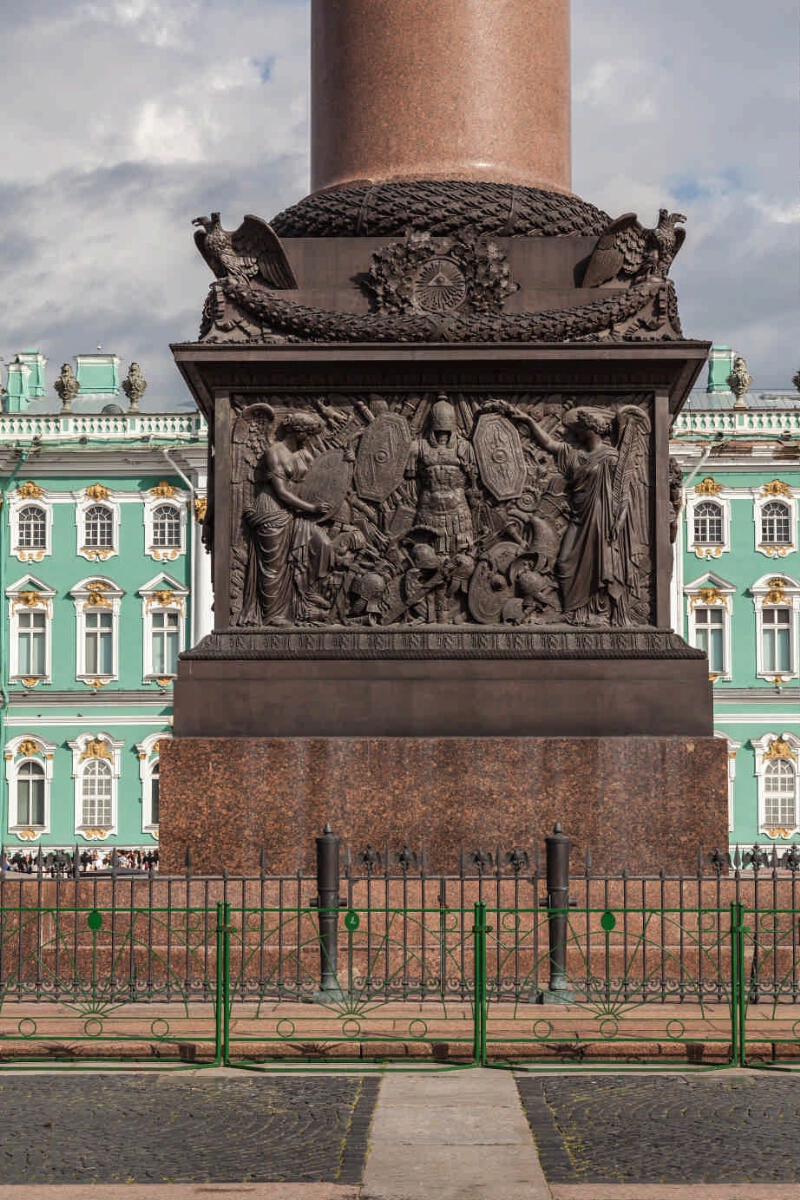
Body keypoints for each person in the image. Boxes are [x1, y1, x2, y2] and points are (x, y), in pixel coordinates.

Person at [499, 403, 648, 625]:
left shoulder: (611, 458)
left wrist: (619, 522)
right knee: (563, 563)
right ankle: (572, 611)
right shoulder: (575, 455)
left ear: (590, 429)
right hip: (579, 517)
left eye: (576, 428)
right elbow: (548, 443)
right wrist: (527, 420)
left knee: (600, 565)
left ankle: (598, 612)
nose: (570, 432)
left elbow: (623, 495)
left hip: (601, 519)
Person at [241, 411, 335, 625]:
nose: (310, 439)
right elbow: (281, 492)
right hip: (273, 512)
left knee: (323, 545)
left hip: (297, 512)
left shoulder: (303, 454)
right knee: (275, 566)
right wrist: (312, 508)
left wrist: (343, 463)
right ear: (299, 433)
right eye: (309, 434)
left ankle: (306, 599)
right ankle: (273, 615)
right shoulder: (274, 452)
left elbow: (321, 473)